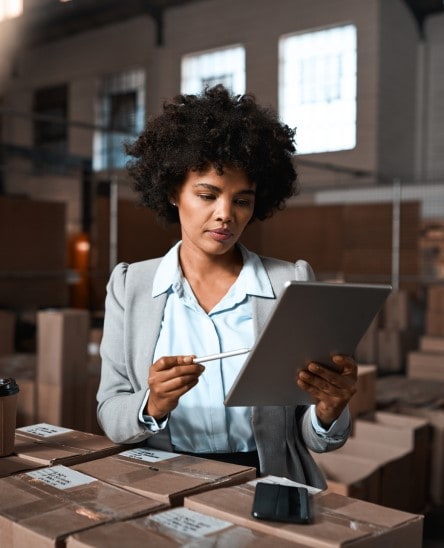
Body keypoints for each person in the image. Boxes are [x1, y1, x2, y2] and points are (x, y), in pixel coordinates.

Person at [97, 84, 357, 489]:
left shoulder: (291, 282)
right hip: (163, 481)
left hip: (267, 479)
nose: (225, 216)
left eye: (242, 200)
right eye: (207, 194)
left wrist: (328, 410)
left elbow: (312, 439)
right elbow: (110, 412)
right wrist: (153, 403)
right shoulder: (131, 286)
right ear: (171, 191)